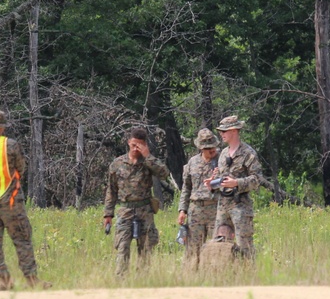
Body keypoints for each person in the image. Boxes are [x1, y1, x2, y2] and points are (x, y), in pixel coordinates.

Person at [0, 109, 45, 289]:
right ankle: (32, 280)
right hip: (9, 199)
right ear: (1, 127)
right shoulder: (10, 145)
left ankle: (2, 280)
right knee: (22, 238)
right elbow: (20, 168)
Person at [103, 126, 171, 275]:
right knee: (122, 247)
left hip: (144, 210)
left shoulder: (148, 162)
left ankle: (143, 279)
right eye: (133, 144)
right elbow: (111, 190)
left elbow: (164, 173)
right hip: (125, 210)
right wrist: (108, 214)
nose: (135, 148)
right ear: (128, 142)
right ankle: (121, 279)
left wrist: (148, 156)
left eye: (139, 145)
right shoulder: (117, 164)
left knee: (146, 247)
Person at [205, 115, 262, 259]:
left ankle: (249, 275)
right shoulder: (223, 153)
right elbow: (222, 178)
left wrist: (236, 183)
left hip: (240, 205)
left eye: (224, 131)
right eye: (220, 131)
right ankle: (225, 273)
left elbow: (257, 180)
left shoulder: (248, 153)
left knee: (245, 245)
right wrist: (213, 183)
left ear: (234, 131)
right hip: (222, 205)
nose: (221, 134)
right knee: (219, 243)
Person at [178, 128, 220, 264]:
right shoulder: (192, 162)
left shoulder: (222, 161)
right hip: (196, 210)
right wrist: (182, 210)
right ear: (201, 148)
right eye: (207, 148)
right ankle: (190, 277)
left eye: (212, 147)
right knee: (192, 249)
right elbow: (186, 187)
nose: (211, 150)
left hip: (216, 208)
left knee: (216, 246)